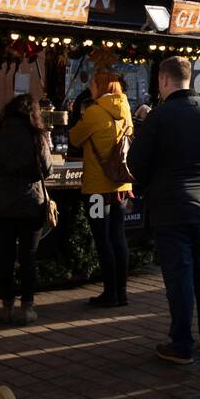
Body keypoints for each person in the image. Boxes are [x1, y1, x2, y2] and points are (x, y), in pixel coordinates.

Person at [128, 56, 200, 363]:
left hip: (170, 206)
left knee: (178, 276)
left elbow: (135, 162)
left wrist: (154, 181)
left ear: (163, 80)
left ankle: (181, 343)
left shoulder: (159, 116)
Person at [0, 95, 52, 324]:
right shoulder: (36, 137)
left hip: (1, 205)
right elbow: (47, 169)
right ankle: (28, 308)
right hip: (31, 204)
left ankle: (6, 307)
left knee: (5, 256)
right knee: (28, 257)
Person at [69, 70, 134, 308]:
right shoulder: (126, 111)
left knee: (102, 238)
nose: (91, 89)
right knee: (118, 236)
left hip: (98, 189)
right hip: (121, 186)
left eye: (94, 85)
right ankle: (122, 292)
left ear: (103, 87)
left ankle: (110, 292)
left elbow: (75, 138)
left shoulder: (94, 112)